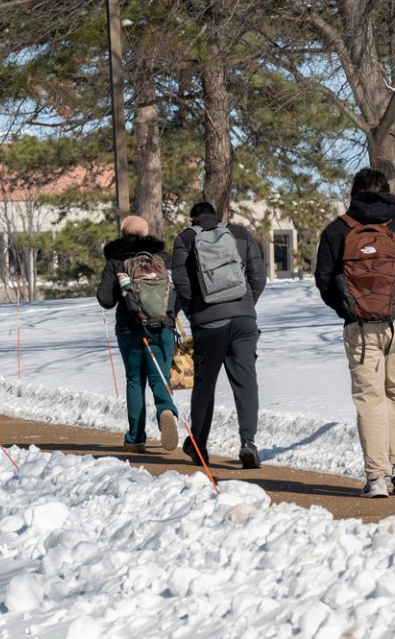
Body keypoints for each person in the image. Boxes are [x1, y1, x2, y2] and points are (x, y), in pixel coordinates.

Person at [314, 168, 395, 498]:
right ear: (387, 190)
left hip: (359, 328)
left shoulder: (338, 228)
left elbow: (324, 279)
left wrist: (348, 310)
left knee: (370, 399)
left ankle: (376, 478)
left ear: (354, 192)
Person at [171, 201, 267, 469]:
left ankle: (199, 445)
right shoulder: (241, 234)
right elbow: (258, 277)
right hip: (244, 321)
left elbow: (182, 284)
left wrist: (196, 315)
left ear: (193, 218)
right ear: (217, 216)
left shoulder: (185, 239)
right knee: (246, 382)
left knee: (205, 385)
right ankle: (248, 442)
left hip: (209, 323)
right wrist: (246, 306)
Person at [96, 215, 179, 454]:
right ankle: (166, 410)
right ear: (147, 232)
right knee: (160, 376)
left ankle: (135, 438)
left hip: (129, 328)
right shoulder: (162, 258)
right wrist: (168, 316)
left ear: (123, 234)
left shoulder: (116, 260)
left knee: (135, 380)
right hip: (161, 327)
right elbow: (179, 289)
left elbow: (106, 299)